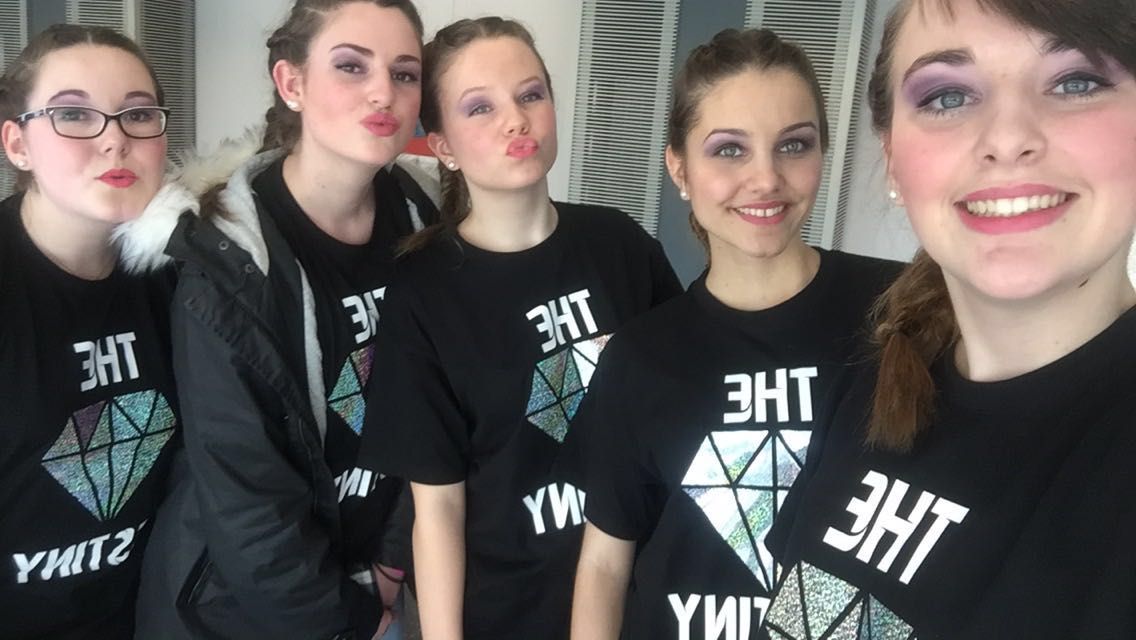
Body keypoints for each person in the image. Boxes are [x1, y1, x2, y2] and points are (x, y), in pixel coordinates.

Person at [760, 0, 1136, 638]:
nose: (1007, 138)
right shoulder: (877, 377)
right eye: (948, 97)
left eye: (1077, 82)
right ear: (891, 155)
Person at [565, 28, 901, 640]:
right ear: (679, 168)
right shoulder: (640, 357)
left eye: (793, 144)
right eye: (729, 150)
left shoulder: (900, 311)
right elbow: (604, 564)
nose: (766, 178)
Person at [359, 16, 682, 640]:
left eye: (530, 94)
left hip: (635, 595)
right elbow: (438, 508)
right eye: (480, 107)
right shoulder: (424, 290)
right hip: (503, 612)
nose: (516, 120)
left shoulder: (618, 244)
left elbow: (677, 411)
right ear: (443, 146)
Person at [131, 1, 439, 638]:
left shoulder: (423, 217)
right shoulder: (226, 264)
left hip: (380, 575)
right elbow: (250, 506)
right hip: (250, 611)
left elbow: (436, 413)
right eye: (351, 66)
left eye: (404, 73)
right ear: (291, 82)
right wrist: (351, 622)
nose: (383, 91)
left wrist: (393, 557)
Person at [0, 24, 193, 639]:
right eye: (73, 114)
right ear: (17, 144)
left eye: (138, 114)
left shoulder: (185, 277)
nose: (114, 139)